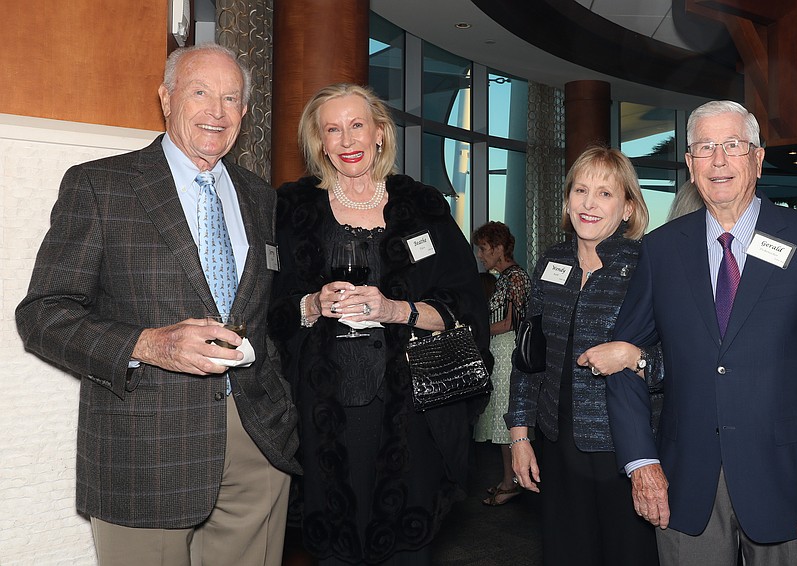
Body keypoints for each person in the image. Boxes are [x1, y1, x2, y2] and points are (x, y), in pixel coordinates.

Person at [15, 43, 299, 566]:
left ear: (244, 112)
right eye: (200, 92)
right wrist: (149, 344)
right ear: (167, 99)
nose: (217, 110)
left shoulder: (260, 195)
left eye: (231, 97)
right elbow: (43, 314)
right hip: (145, 448)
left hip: (258, 440)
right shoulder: (102, 186)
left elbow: (264, 311)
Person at [601, 100, 797, 565]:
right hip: (683, 484)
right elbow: (622, 358)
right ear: (690, 166)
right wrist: (641, 462)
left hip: (791, 484)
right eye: (704, 148)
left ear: (756, 159)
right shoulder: (660, 250)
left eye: (732, 145)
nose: (718, 160)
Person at [267, 83, 489, 565]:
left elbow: (465, 304)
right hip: (322, 412)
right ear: (319, 142)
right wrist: (311, 304)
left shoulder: (423, 207)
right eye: (333, 129)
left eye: (357, 125)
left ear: (380, 134)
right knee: (335, 549)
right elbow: (266, 305)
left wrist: (396, 310)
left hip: (408, 415)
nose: (347, 140)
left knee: (406, 551)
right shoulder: (293, 209)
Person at [506, 146, 662, 566]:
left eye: (605, 194)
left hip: (624, 450)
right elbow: (527, 358)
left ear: (628, 208)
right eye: (580, 190)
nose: (589, 204)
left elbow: (678, 361)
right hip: (556, 444)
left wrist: (636, 357)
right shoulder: (550, 261)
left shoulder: (648, 265)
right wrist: (520, 436)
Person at [471, 221, 531, 506]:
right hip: (500, 351)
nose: (481, 255)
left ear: (498, 248)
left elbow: (509, 323)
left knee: (506, 422)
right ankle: (509, 479)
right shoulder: (505, 277)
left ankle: (512, 482)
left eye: (483, 249)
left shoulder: (515, 277)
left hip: (509, 352)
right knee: (501, 422)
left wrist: (474, 330)